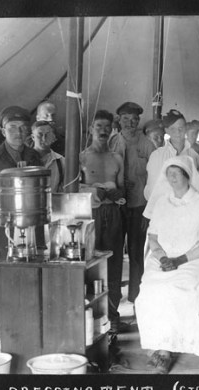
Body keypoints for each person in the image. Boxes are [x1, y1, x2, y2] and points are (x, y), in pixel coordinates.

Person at [136, 156, 199, 374]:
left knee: (175, 289)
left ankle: (165, 352)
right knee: (149, 289)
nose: (171, 177)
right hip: (163, 258)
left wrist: (179, 260)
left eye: (176, 173)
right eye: (168, 173)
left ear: (187, 176)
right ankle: (158, 343)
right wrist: (163, 258)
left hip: (192, 260)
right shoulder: (162, 202)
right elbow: (153, 236)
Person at [0, 106, 42, 337]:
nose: (18, 132)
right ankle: (6, 337)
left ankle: (28, 335)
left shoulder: (34, 157)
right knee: (4, 290)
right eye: (12, 127)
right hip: (2, 235)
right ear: (3, 131)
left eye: (23, 127)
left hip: (32, 234)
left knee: (30, 286)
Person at [79, 109, 125, 331]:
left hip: (114, 215)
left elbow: (123, 188)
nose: (103, 131)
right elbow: (73, 188)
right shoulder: (82, 157)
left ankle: (113, 316)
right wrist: (96, 191)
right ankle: (91, 316)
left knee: (114, 264)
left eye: (107, 127)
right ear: (91, 129)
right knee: (91, 264)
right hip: (91, 215)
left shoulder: (117, 158)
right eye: (99, 126)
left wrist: (118, 194)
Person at [107, 102, 155, 306]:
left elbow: (155, 179)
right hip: (117, 206)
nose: (130, 122)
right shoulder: (112, 142)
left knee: (137, 254)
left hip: (138, 205)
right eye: (126, 118)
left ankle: (137, 298)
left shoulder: (147, 144)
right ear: (119, 120)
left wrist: (148, 212)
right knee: (114, 254)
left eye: (134, 119)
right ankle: (113, 300)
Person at [144, 109, 199, 200]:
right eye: (173, 129)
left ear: (185, 128)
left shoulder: (195, 156)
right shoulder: (157, 156)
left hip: (190, 209)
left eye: (180, 128)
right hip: (165, 208)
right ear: (167, 130)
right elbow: (151, 191)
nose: (177, 132)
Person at [31, 120, 65, 192]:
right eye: (40, 135)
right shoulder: (23, 159)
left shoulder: (61, 162)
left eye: (48, 134)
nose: (44, 138)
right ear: (33, 137)